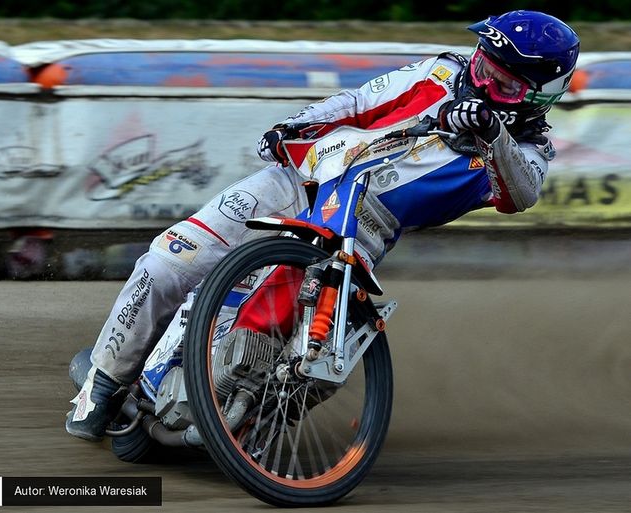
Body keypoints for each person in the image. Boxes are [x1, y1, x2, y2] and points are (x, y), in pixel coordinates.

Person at [66, 10, 580, 441]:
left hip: (361, 228)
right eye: (484, 65)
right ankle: (102, 385)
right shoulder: (442, 72)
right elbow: (359, 101)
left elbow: (521, 195)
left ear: (539, 95)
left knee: (297, 338)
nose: (482, 81)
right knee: (168, 262)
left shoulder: (530, 151)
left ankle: (251, 421)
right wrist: (297, 124)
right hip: (300, 178)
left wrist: (492, 134)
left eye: (503, 82)